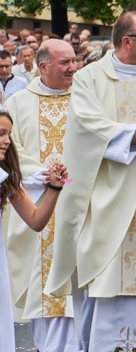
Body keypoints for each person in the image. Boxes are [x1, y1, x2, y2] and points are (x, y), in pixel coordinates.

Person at [46, 11, 136, 350]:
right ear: (127, 41)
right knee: (104, 284)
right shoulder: (90, 79)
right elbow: (86, 127)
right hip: (105, 205)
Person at [4, 40, 80, 351]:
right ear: (43, 66)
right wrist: (46, 176)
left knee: (80, 290)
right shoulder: (19, 103)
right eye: (65, 62)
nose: (73, 67)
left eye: (74, 60)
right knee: (45, 290)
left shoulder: (86, 100)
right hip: (37, 202)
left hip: (80, 205)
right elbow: (11, 151)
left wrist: (76, 176)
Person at [0, 109, 67, 351]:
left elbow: (36, 220)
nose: (7, 140)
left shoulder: (7, 180)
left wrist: (54, 189)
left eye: (8, 134)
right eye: (1, 134)